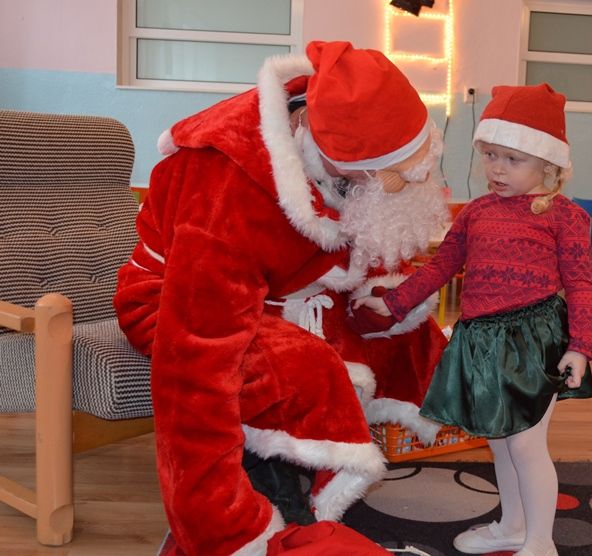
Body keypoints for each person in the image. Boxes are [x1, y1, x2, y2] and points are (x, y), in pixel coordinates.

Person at [113, 40, 451, 556]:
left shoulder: (331, 141)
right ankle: (268, 498)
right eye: (397, 175)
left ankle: (301, 464)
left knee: (407, 334)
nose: (413, 181)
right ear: (344, 161)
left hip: (281, 293)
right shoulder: (225, 183)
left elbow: (360, 239)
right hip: (173, 302)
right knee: (304, 365)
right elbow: (195, 364)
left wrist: (385, 299)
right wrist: (220, 524)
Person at [354, 83, 592, 556]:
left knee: (526, 445)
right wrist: (395, 302)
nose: (496, 169)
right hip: (480, 341)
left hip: (533, 341)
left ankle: (540, 542)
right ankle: (513, 527)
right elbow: (443, 265)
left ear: (547, 165)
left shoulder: (564, 216)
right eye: (490, 156)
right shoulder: (477, 211)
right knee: (500, 442)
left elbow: (581, 285)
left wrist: (580, 346)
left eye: (512, 159)